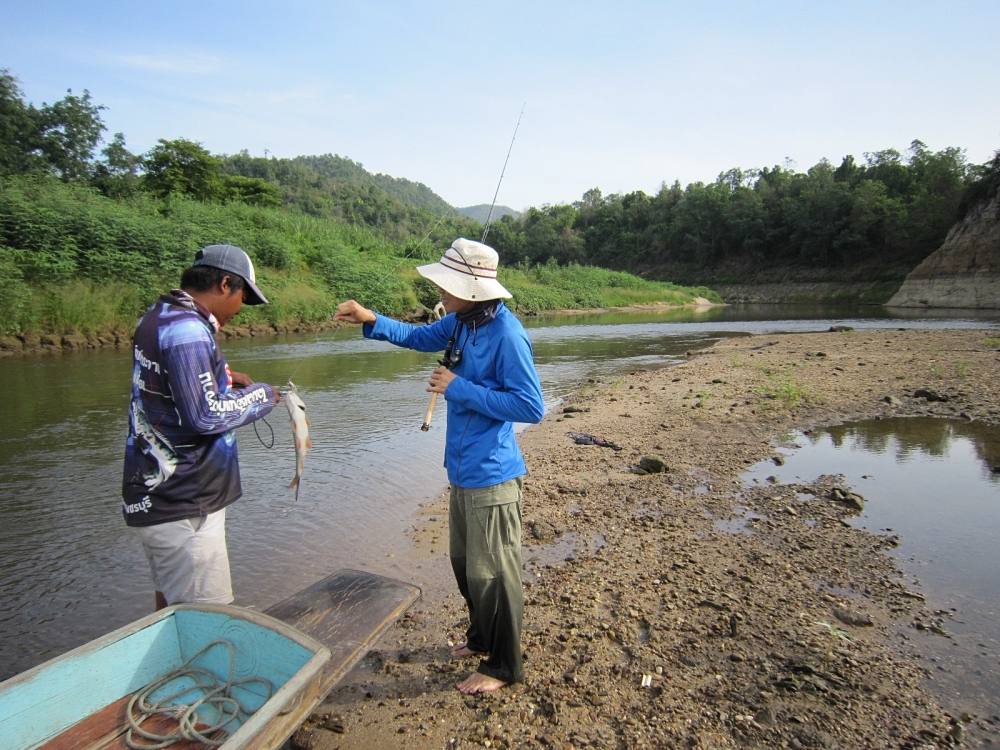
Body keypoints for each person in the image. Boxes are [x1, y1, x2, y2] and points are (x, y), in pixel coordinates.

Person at [335, 237, 544, 694]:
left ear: (472, 290)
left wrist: (457, 387)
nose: (441, 296)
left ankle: (504, 666)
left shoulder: (507, 334)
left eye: (447, 288)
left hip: (494, 474)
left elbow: (531, 406)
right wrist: (370, 318)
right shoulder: (459, 323)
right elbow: (413, 336)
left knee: (496, 573)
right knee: (465, 564)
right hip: (463, 471)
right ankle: (479, 639)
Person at [123, 244, 280, 611]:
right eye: (243, 297)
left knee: (172, 608)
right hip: (186, 504)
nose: (240, 311)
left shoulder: (158, 317)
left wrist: (225, 378)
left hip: (160, 498)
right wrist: (262, 396)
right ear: (226, 284)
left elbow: (172, 383)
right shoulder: (189, 332)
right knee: (206, 621)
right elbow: (205, 414)